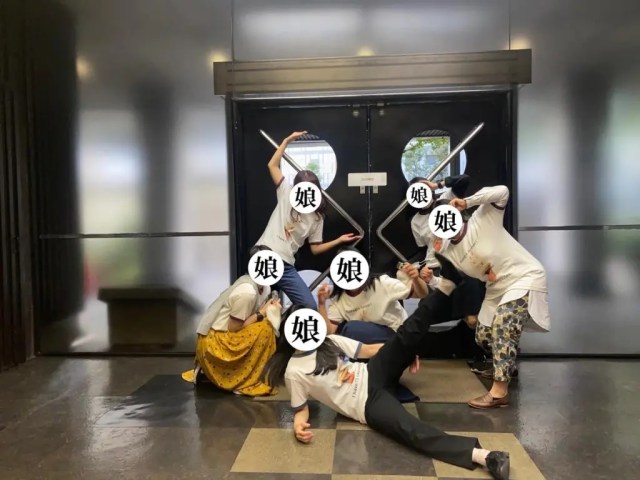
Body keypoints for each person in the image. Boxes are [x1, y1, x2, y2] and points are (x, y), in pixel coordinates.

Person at [262, 258, 511, 480]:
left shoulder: (328, 341)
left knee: (407, 333)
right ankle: (485, 456)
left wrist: (404, 351)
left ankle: (446, 285)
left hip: (372, 372)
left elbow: (369, 350)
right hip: (366, 404)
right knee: (410, 430)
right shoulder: (294, 372)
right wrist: (298, 426)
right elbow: (301, 409)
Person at [436, 184, 550, 409]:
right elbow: (448, 280)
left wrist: (468, 201)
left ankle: (499, 393)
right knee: (483, 336)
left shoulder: (482, 218)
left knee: (502, 325)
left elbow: (502, 192)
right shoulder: (448, 251)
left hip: (523, 276)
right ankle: (506, 366)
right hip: (496, 289)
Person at [255, 130, 361, 309]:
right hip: (265, 254)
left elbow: (315, 248)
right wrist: (286, 140)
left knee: (309, 306)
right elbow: (272, 165)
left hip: (286, 264)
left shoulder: (317, 217)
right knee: (254, 302)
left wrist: (339, 240)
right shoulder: (286, 192)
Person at [181, 245, 283, 396]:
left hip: (229, 332)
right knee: (266, 329)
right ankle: (240, 378)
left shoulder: (265, 287)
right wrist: (262, 313)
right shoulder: (247, 292)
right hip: (216, 339)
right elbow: (234, 327)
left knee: (266, 325)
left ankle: (251, 373)